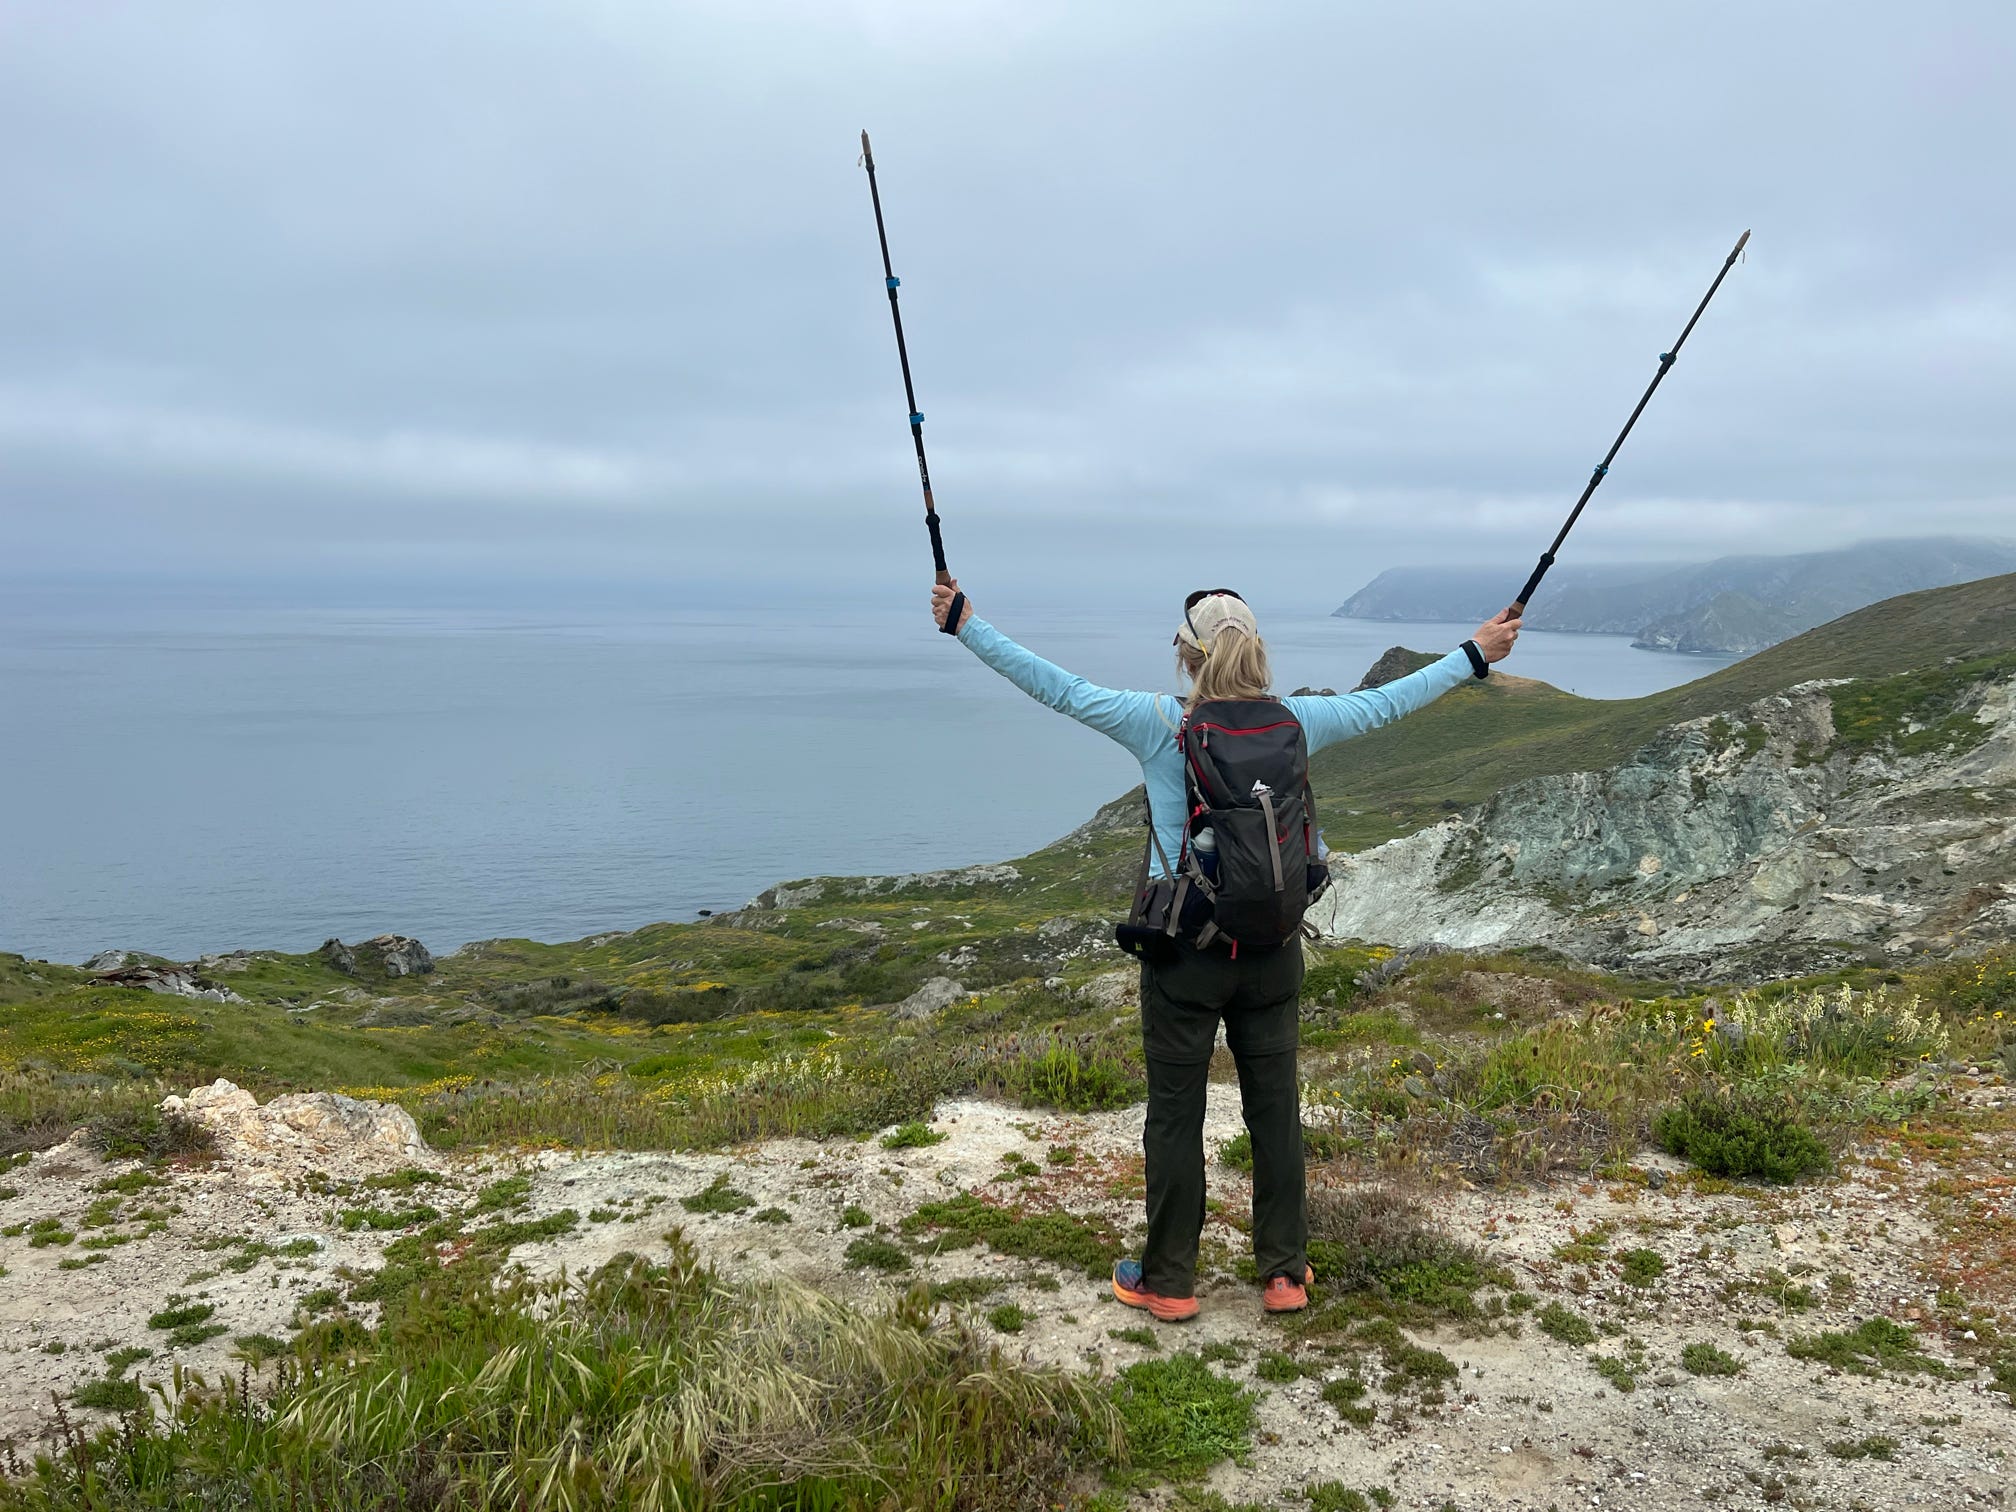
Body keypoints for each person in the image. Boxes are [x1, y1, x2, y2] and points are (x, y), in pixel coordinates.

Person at [930, 580, 1520, 1321]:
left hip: (1184, 954)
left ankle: (1170, 1281)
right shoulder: (1301, 721)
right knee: (1273, 1111)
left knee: (1175, 1115)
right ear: (1259, 653)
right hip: (1273, 947)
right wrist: (1475, 652)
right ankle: (1282, 1274)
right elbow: (1392, 700)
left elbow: (1056, 687)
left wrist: (967, 626)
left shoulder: (1157, 724)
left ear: (1188, 656)